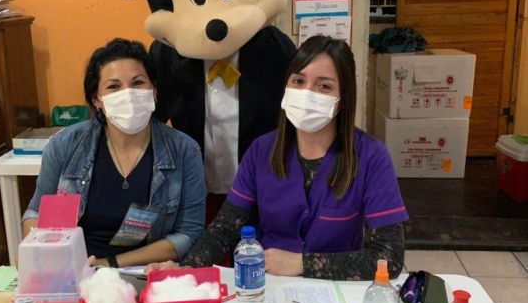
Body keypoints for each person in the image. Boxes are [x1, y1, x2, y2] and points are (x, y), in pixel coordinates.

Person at [146, 35, 408, 280]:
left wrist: (302, 264)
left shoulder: (371, 156)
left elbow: (389, 257)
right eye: (298, 81)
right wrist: (186, 269)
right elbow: (225, 227)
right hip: (267, 286)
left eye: (324, 86)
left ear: (342, 99)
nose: (307, 93)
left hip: (337, 292)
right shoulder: (261, 150)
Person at [21, 38, 207, 268]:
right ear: (96, 100)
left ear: (154, 91)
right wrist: (39, 255)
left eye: (138, 82)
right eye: (114, 86)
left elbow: (188, 234)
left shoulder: (184, 150)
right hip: (75, 269)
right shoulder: (65, 145)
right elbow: (35, 213)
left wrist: (109, 264)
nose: (128, 94)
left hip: (147, 270)